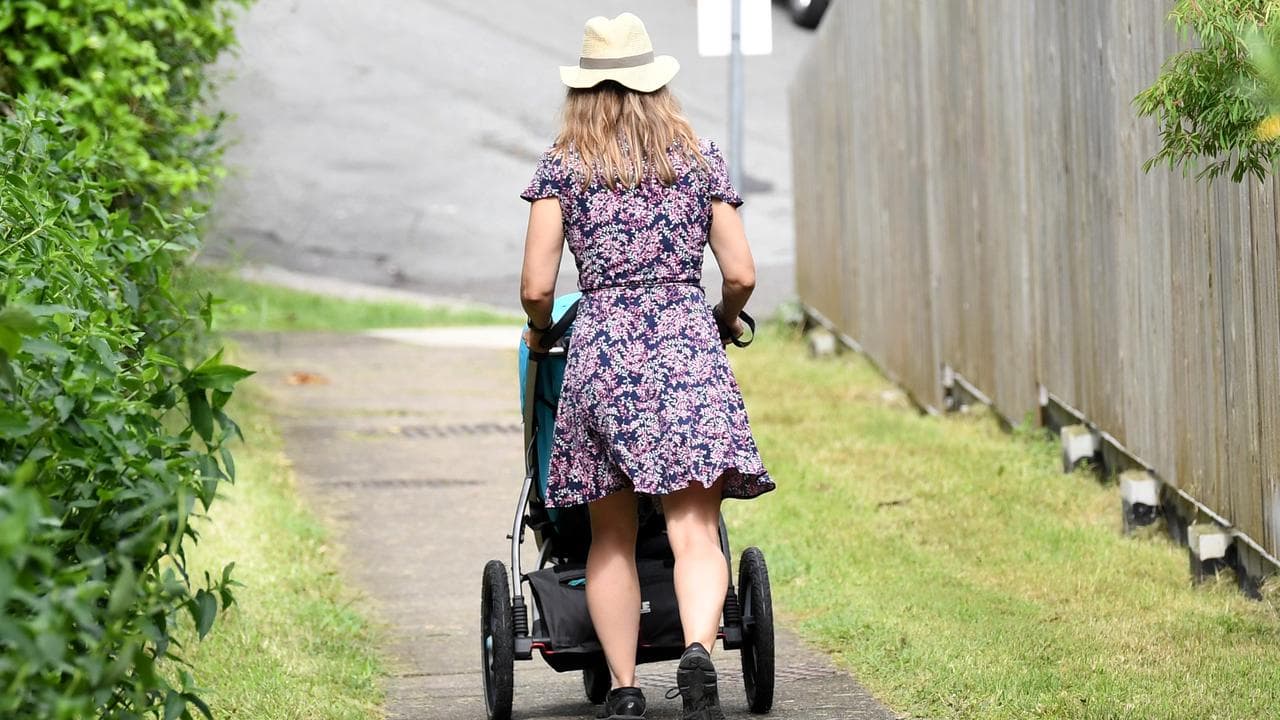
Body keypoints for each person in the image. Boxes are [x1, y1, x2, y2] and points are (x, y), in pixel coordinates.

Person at [519, 12, 774, 720]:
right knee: (694, 527)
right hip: (686, 345)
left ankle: (626, 690)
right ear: (655, 86)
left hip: (602, 351)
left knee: (611, 535)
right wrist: (721, 321)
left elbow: (538, 287)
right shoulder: (697, 160)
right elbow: (743, 272)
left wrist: (542, 336)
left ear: (583, 91)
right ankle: (696, 650)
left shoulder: (563, 166)